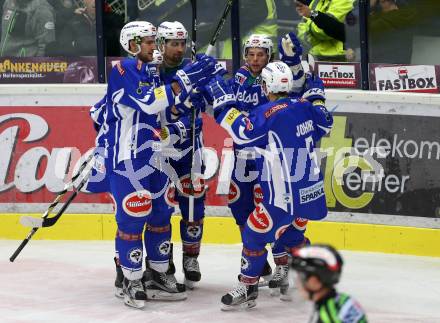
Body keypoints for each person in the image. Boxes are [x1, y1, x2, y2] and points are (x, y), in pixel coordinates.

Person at [85, 20, 218, 309]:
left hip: (156, 156)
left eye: (154, 41)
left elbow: (162, 113)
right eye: (147, 41)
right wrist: (185, 78)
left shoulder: (151, 72)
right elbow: (147, 102)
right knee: (133, 217)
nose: (153, 46)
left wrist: (190, 89)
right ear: (132, 44)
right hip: (128, 159)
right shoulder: (123, 69)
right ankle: (131, 277)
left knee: (160, 215)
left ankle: (158, 274)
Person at [204, 60, 333, 309]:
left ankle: (248, 286)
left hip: (284, 195)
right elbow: (325, 121)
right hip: (310, 192)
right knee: (294, 237)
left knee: (253, 235)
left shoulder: (268, 113)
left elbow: (241, 132)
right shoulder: (304, 105)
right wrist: (317, 96)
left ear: (266, 85)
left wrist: (224, 102)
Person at [228, 32, 325, 298]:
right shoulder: (238, 80)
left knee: (273, 219)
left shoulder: (276, 92)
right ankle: (261, 265)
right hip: (247, 160)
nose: (255, 58)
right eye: (251, 53)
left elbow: (243, 126)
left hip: (272, 165)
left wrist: (224, 108)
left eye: (261, 54)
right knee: (246, 211)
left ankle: (279, 266)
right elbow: (319, 116)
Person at [154, 20, 207, 289]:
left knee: (192, 203)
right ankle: (162, 260)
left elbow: (209, 104)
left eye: (182, 43)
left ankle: (190, 257)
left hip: (190, 149)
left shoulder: (192, 68)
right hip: (158, 151)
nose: (179, 49)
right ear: (161, 44)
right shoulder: (152, 71)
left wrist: (205, 87)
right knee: (160, 207)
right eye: (174, 43)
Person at [291, 244, 368, 322]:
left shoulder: (327, 316)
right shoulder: (344, 300)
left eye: (300, 277)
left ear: (314, 282)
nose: (297, 283)